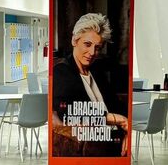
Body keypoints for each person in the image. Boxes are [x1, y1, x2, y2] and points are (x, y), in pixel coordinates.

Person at [51, 12, 130, 157]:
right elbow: (67, 110)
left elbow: (117, 105)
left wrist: (127, 133)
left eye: (98, 47)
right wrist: (113, 118)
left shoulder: (97, 72)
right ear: (74, 40)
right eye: (87, 44)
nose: (92, 52)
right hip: (90, 148)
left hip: (113, 143)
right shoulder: (61, 71)